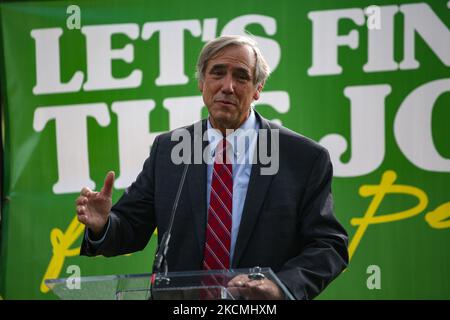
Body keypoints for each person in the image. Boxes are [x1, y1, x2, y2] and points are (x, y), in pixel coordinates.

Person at [76, 35, 349, 300]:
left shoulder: (302, 158)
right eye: (217, 73)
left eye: (241, 76)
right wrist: (103, 226)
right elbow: (131, 228)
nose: (227, 86)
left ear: (258, 89)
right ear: (202, 82)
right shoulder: (169, 150)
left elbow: (328, 246)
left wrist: (281, 288)